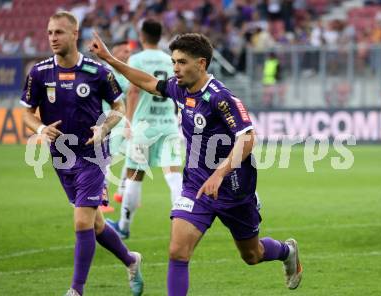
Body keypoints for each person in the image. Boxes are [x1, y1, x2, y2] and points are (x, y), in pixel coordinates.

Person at [89, 32, 302, 294]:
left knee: (252, 255)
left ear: (201, 64)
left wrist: (219, 174)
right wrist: (110, 58)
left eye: (182, 62)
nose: (175, 68)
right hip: (196, 188)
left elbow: (247, 139)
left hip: (234, 189)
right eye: (174, 62)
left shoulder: (220, 98)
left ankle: (287, 251)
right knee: (177, 251)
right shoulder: (180, 89)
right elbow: (147, 82)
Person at [20, 11, 143, 296]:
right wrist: (40, 129)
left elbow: (119, 108)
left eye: (59, 32)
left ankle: (76, 290)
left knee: (81, 220)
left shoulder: (97, 71)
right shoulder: (39, 73)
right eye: (50, 32)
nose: (53, 38)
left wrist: (104, 127)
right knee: (96, 223)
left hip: (93, 154)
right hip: (61, 157)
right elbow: (27, 114)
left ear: (75, 34)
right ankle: (130, 260)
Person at [106, 19, 183, 240]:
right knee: (174, 174)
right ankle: (182, 224)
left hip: (143, 126)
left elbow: (133, 92)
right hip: (167, 123)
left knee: (134, 175)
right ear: (160, 37)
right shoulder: (171, 60)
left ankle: (124, 226)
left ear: (141, 36)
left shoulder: (136, 59)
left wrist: (128, 122)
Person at [101, 40, 133, 208]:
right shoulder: (107, 73)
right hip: (110, 120)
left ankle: (122, 192)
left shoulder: (125, 72)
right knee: (107, 159)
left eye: (129, 51)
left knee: (134, 155)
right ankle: (101, 198)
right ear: (116, 53)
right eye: (125, 51)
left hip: (124, 120)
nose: (129, 54)